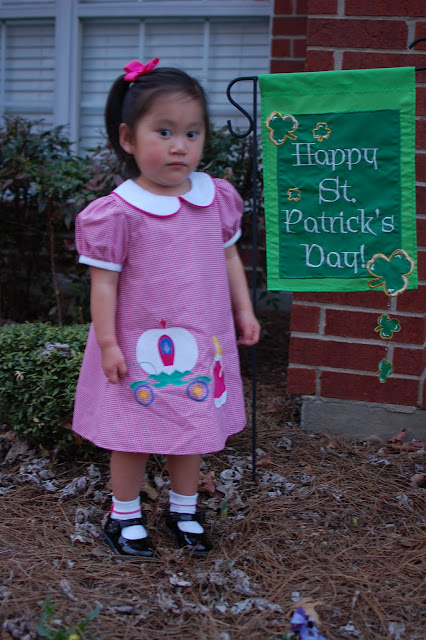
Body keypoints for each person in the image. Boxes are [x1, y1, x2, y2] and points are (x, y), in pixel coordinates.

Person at [73, 58, 260, 557]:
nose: (180, 146)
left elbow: (229, 258)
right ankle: (124, 515)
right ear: (128, 139)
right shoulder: (119, 213)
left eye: (192, 133)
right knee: (131, 432)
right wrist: (108, 343)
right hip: (135, 345)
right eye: (164, 131)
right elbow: (103, 285)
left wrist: (244, 311)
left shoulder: (214, 199)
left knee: (193, 427)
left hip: (202, 337)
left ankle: (184, 508)